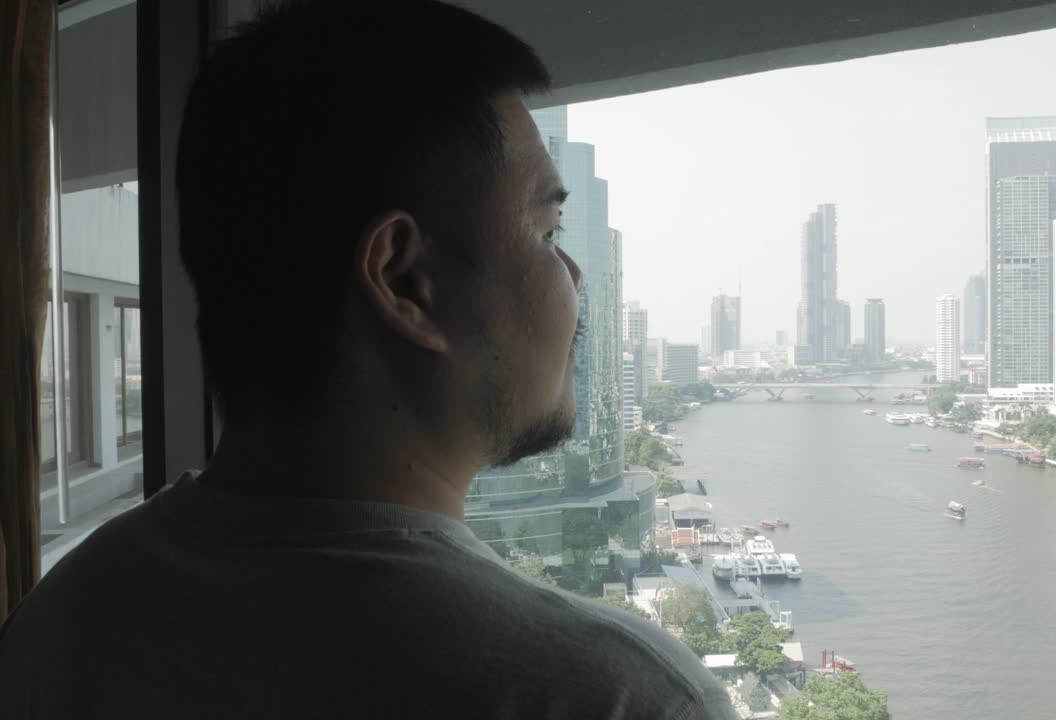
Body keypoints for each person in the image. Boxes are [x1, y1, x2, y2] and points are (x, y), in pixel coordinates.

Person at [0, 1, 735, 717]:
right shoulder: (615, 695)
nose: (574, 278)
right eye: (546, 234)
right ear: (404, 279)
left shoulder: (53, 623)